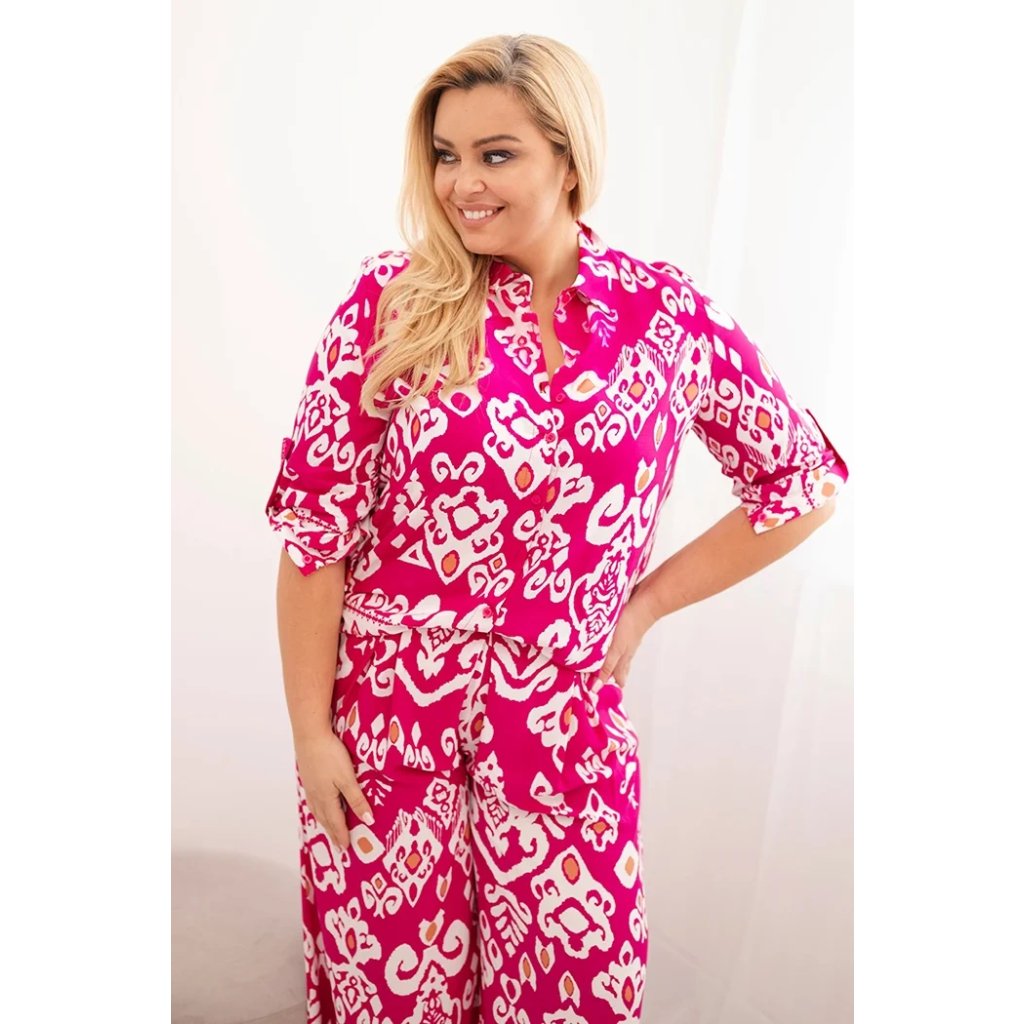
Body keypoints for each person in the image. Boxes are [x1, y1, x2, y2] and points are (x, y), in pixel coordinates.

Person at [265, 32, 849, 1024]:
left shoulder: (665, 318)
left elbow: (802, 482)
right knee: (394, 1001)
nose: (462, 184)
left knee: (576, 993)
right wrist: (312, 736)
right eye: (446, 155)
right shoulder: (389, 305)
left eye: (496, 154)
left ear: (569, 158)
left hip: (561, 735)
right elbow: (313, 536)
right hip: (384, 739)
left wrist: (643, 605)